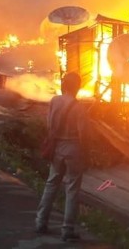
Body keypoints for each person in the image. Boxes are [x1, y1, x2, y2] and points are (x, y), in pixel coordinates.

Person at [35, 71, 86, 241]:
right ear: (77, 87)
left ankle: (40, 221)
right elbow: (84, 133)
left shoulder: (54, 101)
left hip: (56, 147)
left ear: (64, 85)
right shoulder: (79, 107)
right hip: (73, 148)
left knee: (51, 184)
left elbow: (49, 124)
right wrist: (87, 151)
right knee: (72, 188)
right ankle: (67, 229)